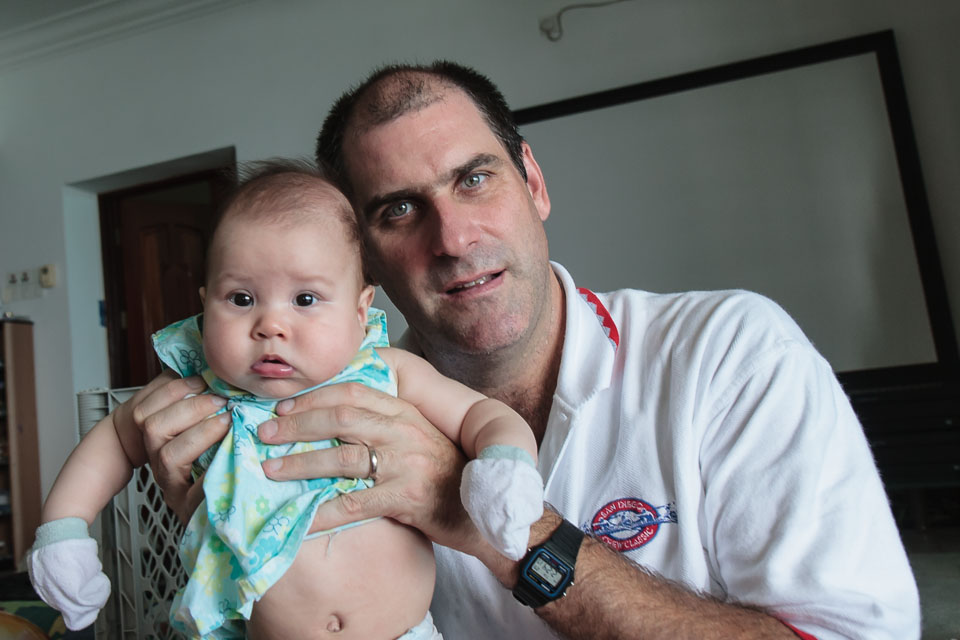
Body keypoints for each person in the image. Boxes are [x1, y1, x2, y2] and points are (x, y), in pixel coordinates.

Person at [120, 62, 920, 639]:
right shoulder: (311, 415)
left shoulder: (730, 351)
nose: (454, 238)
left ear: (532, 182)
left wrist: (510, 534)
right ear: (359, 264)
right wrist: (223, 527)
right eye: (399, 210)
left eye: (474, 180)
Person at [27, 160, 544, 639]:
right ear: (205, 307)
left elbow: (481, 415)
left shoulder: (384, 372)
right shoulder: (199, 384)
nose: (271, 325)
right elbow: (115, 439)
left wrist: (504, 462)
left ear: (359, 310)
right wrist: (63, 529)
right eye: (242, 299)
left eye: (305, 299)